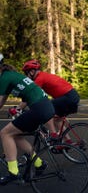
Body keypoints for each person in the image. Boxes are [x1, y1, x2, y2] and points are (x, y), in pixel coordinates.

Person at [0, 54, 55, 184]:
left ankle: (13, 172)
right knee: (16, 135)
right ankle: (39, 164)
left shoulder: (4, 78)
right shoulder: (10, 75)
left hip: (39, 108)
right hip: (45, 106)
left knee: (5, 133)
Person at [19, 59, 80, 140]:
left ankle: (53, 135)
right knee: (57, 120)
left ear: (32, 71)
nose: (26, 76)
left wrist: (18, 108)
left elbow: (31, 95)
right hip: (72, 96)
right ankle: (68, 141)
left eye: (26, 73)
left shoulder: (40, 78)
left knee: (46, 110)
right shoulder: (43, 75)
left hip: (68, 97)